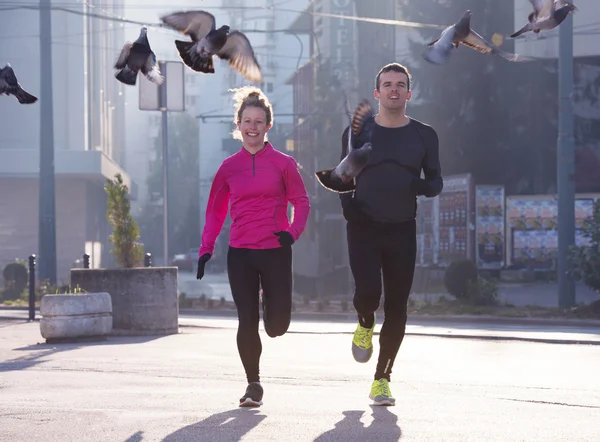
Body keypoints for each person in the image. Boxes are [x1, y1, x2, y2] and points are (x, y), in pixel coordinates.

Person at [196, 86, 310, 407]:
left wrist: (292, 232)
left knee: (277, 326)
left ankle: (270, 308)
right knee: (246, 320)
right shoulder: (229, 168)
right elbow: (215, 211)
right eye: (247, 120)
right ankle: (253, 384)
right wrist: (206, 249)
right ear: (239, 124)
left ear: (268, 125)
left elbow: (301, 202)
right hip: (241, 253)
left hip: (275, 250)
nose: (253, 127)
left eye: (259, 121)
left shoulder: (284, 163)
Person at [340, 63, 443, 406]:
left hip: (402, 229)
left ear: (409, 94)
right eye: (387, 84)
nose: (394, 90)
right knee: (368, 293)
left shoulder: (424, 135)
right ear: (377, 93)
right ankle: (364, 323)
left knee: (398, 307)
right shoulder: (356, 134)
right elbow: (342, 178)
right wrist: (348, 209)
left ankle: (382, 379)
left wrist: (424, 187)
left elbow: (436, 180)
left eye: (401, 85)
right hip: (364, 227)